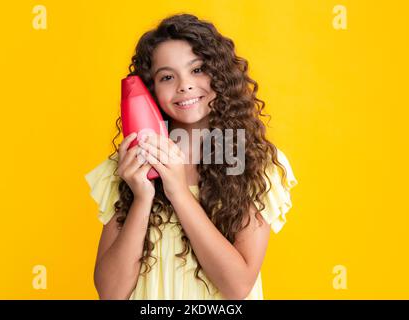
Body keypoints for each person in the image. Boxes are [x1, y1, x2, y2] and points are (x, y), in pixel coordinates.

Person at [85, 13, 298, 300]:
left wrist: (178, 191)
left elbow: (237, 287)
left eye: (197, 70)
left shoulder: (253, 162)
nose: (184, 85)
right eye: (167, 77)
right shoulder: (127, 167)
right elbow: (110, 292)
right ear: (151, 91)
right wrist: (142, 196)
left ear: (220, 75)